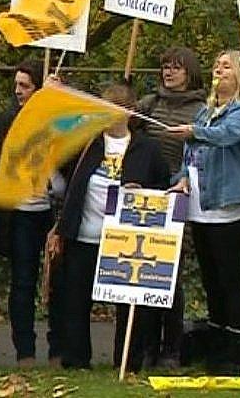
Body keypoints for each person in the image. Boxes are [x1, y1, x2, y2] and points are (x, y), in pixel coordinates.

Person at [57, 84, 171, 370]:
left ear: (129, 113)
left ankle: (127, 361)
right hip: (84, 234)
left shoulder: (146, 148)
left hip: (124, 240)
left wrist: (140, 190)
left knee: (127, 302)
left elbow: (162, 186)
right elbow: (58, 158)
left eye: (114, 110)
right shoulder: (86, 143)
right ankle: (76, 359)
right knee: (76, 300)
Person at [167, 49, 240, 376]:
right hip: (201, 208)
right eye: (217, 65)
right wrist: (180, 180)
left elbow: (225, 137)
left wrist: (194, 131)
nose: (219, 70)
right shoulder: (206, 112)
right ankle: (216, 346)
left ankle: (236, 352)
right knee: (211, 281)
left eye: (227, 66)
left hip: (230, 208)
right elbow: (189, 157)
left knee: (230, 280)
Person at [0, 59, 67, 367]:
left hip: (53, 213)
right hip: (20, 214)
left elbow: (75, 155)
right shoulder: (9, 118)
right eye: (16, 85)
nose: (19, 91)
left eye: (25, 86)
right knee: (22, 281)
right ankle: (25, 351)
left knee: (56, 282)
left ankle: (58, 348)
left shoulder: (62, 119)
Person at [136, 46, 206, 368]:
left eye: (176, 68)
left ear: (189, 72)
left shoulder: (202, 111)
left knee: (171, 278)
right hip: (147, 200)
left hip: (181, 200)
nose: (168, 73)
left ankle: (171, 349)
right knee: (146, 273)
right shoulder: (150, 104)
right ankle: (147, 346)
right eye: (165, 67)